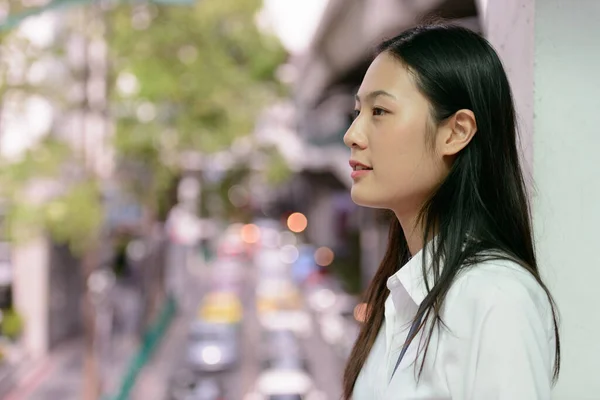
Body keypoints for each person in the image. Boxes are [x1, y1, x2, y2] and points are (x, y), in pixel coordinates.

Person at [342, 23, 560, 400]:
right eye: (358, 111)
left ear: (456, 132)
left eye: (379, 111)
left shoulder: (496, 297)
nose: (352, 134)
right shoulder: (401, 294)